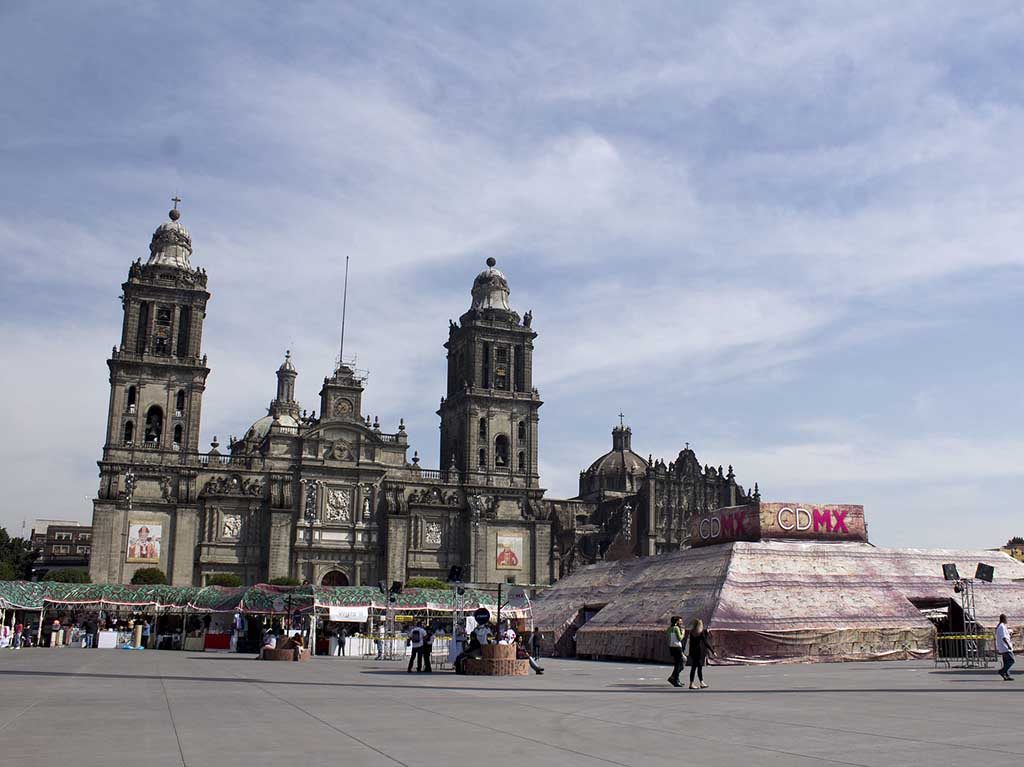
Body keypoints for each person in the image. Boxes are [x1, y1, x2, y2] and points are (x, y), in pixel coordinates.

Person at [686, 618, 714, 689]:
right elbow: (705, 643)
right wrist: (712, 651)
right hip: (698, 651)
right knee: (699, 668)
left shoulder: (691, 632)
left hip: (692, 651)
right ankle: (699, 683)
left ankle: (695, 682)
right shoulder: (700, 633)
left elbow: (690, 643)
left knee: (694, 667)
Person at [666, 616, 685, 687]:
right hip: (677, 647)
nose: (681, 622)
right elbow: (680, 638)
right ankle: (675, 680)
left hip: (671, 647)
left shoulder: (670, 628)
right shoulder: (676, 628)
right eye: (680, 621)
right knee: (679, 664)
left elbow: (667, 635)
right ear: (677, 622)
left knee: (677, 664)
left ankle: (675, 679)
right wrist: (683, 633)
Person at [996, 614, 1015, 681]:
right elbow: (1004, 637)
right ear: (1003, 619)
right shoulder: (1001, 627)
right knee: (1012, 660)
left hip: (1003, 647)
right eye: (1006, 619)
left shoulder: (1002, 626)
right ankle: (1002, 671)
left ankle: (1006, 675)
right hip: (1005, 647)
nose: (1007, 620)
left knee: (1006, 661)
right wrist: (1008, 645)